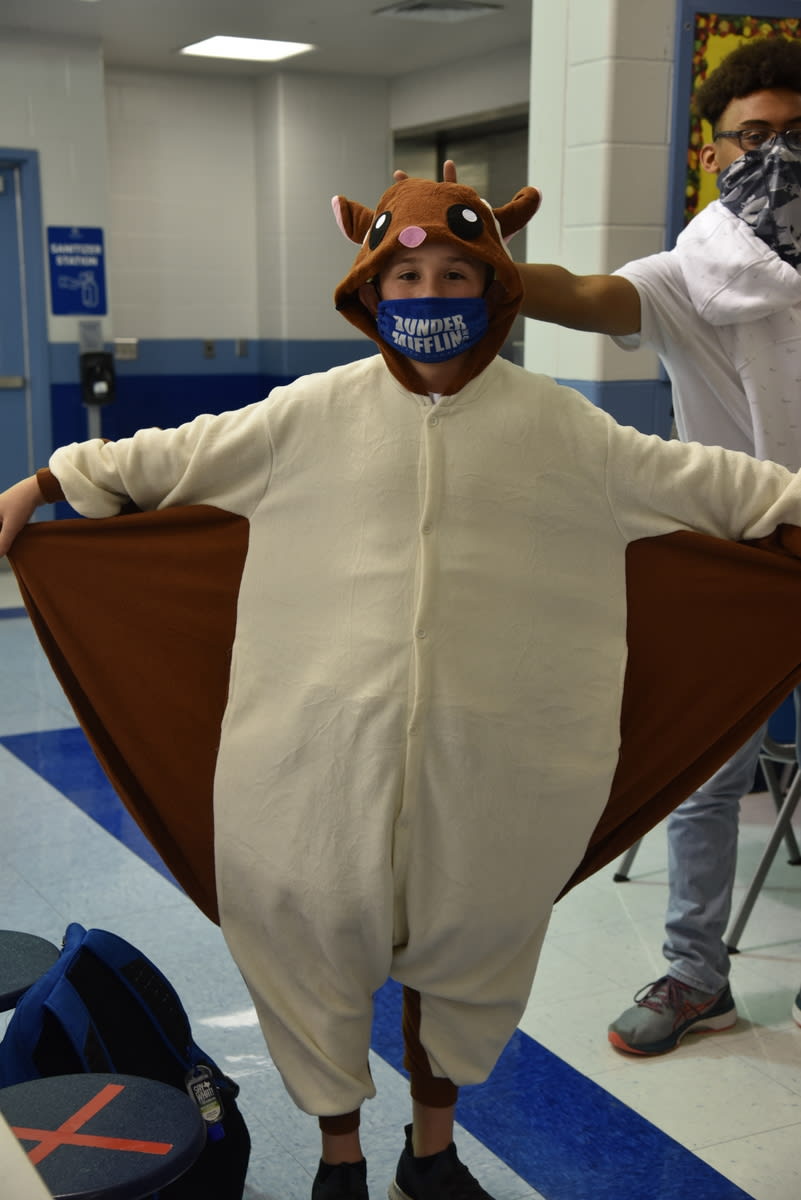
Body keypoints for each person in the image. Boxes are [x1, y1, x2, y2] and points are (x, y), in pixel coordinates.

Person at [4, 171, 801, 1200]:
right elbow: (168, 457)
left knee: (476, 952)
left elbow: (717, 484)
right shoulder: (309, 414)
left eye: (456, 274)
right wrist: (44, 483)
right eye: (408, 276)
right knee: (308, 951)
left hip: (500, 766)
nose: (431, 295)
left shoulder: (566, 430)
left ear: (495, 287)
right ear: (370, 290)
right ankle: (338, 1158)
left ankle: (432, 1153)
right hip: (310, 762)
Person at [512, 35, 801, 1054]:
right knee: (707, 777)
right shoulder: (684, 276)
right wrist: (481, 259)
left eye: (796, 135)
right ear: (713, 157)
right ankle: (694, 975)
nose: (776, 156)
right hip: (732, 560)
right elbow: (583, 296)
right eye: (753, 138)